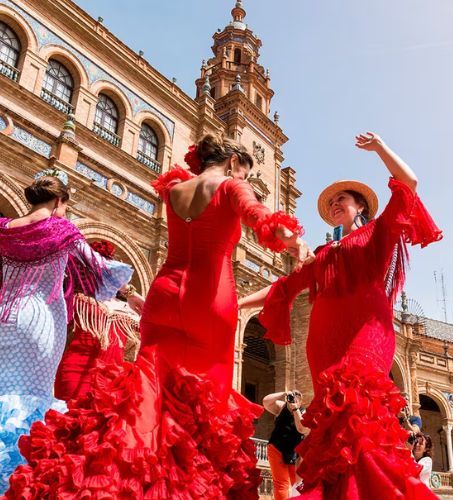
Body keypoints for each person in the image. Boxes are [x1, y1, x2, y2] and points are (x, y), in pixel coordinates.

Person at [6, 135, 312, 498]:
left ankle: (121, 482)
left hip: (162, 295)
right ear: (232, 164)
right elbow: (263, 219)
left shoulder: (175, 189)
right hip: (209, 301)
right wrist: (292, 240)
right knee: (202, 410)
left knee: (146, 398)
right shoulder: (232, 185)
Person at [240, 131, 442, 498]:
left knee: (361, 414)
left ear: (360, 206)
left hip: (366, 333)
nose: (335, 203)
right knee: (335, 427)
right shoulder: (322, 253)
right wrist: (235, 304)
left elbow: (409, 184)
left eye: (342, 198)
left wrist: (380, 147)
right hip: (323, 344)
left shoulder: (377, 232)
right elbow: (282, 288)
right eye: (331, 200)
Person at [0, 172, 134, 493]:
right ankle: (16, 479)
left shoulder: (6, 228)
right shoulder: (62, 228)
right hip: (41, 321)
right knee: (33, 398)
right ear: (59, 201)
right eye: (66, 206)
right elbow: (100, 269)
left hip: (4, 316)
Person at [53, 239, 144, 401]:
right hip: (73, 372)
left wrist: (130, 293)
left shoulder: (130, 310)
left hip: (111, 384)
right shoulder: (77, 299)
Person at [262, 390, 310, 500]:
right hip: (276, 448)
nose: (293, 400)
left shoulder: (303, 412)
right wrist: (283, 393)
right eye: (291, 397)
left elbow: (302, 429)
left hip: (293, 453)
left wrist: (295, 409)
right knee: (281, 483)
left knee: (295, 484)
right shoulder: (282, 407)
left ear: (300, 401)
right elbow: (266, 401)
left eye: (296, 398)